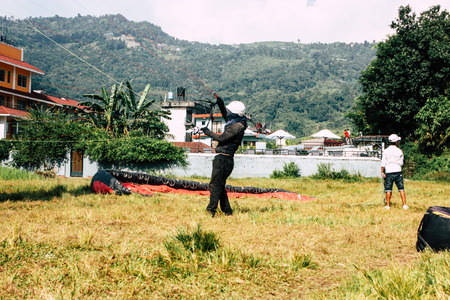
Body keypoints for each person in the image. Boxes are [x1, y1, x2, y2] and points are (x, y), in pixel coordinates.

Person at [201, 101, 247, 217]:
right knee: (219, 186)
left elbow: (222, 138)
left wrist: (207, 132)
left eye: (229, 111)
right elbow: (224, 113)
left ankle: (211, 210)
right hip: (225, 159)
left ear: (234, 113)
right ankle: (227, 211)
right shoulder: (237, 123)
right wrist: (220, 101)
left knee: (215, 185)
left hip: (223, 160)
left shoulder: (236, 126)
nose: (227, 113)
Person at [381, 134, 408, 210]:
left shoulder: (386, 151)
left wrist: (382, 172)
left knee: (388, 189)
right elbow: (401, 162)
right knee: (401, 188)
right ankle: (404, 205)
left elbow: (383, 162)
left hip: (389, 171)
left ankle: (388, 205)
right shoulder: (399, 151)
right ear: (396, 142)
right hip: (398, 171)